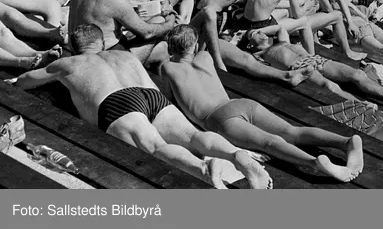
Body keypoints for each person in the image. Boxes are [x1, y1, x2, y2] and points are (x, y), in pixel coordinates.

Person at [14, 23, 269, 189]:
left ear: (74, 47)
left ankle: (204, 168)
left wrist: (47, 64)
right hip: (151, 96)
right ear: (102, 44)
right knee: (194, 135)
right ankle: (237, 156)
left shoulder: (68, 64)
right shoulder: (124, 55)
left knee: (156, 147)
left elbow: (24, 82)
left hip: (116, 102)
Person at [157, 25, 364, 182]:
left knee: (270, 143)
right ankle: (346, 142)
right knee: (292, 131)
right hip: (240, 103)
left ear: (171, 48)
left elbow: (169, 102)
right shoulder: (204, 56)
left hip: (218, 118)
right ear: (193, 45)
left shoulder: (168, 68)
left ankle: (314, 163)